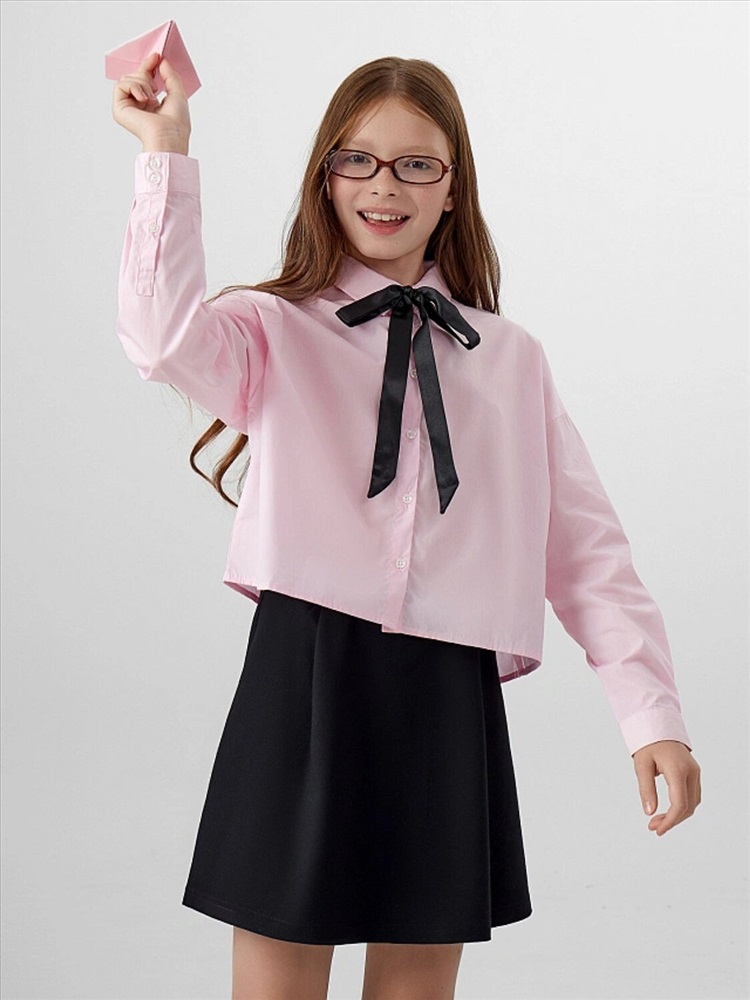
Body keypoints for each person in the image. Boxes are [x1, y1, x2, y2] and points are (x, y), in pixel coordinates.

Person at [111, 51, 702, 1000]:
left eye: (416, 164)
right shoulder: (272, 328)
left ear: (452, 187)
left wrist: (651, 716)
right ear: (327, 176)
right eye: (358, 160)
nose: (384, 186)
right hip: (304, 677)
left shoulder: (510, 358)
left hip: (445, 695)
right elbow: (160, 337)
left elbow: (587, 550)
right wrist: (166, 151)